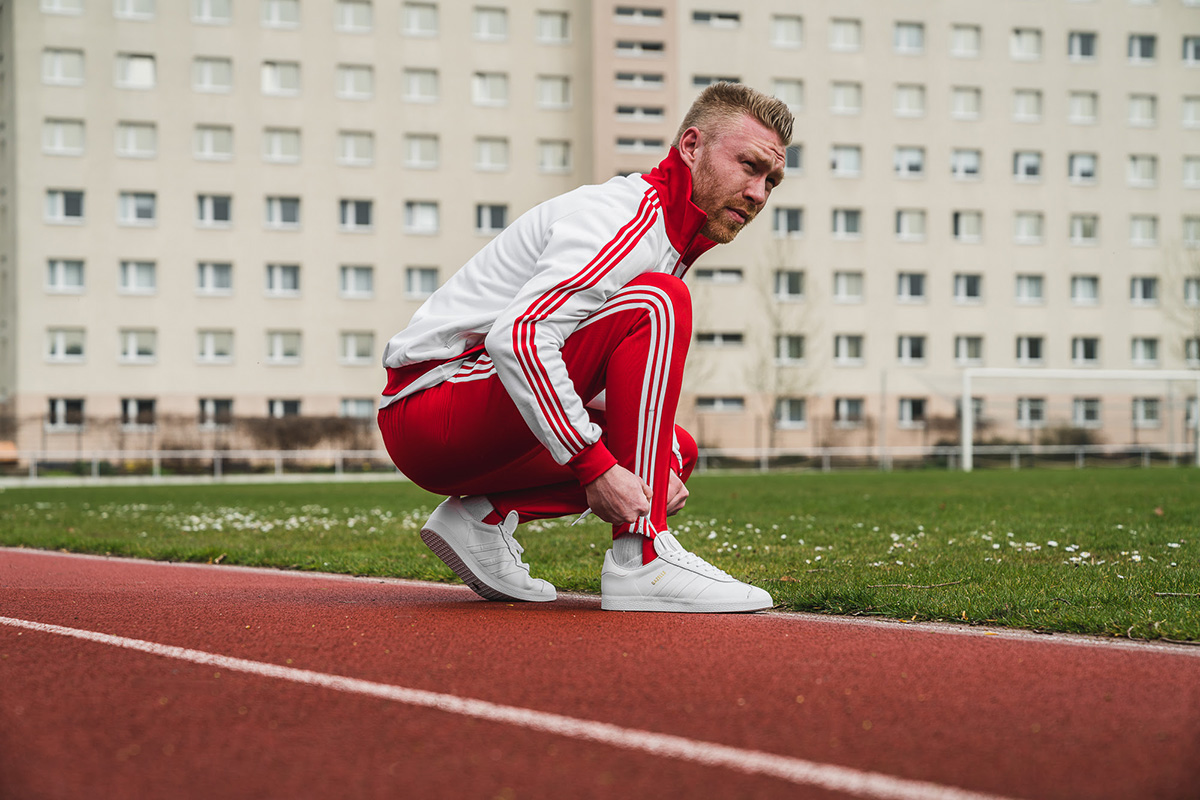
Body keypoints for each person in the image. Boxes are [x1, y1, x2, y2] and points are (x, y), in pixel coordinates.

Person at [377, 83, 792, 612]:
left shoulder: (669, 242)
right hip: (430, 405)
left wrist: (641, 455)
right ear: (691, 146)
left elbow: (582, 366)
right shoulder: (627, 217)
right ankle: (641, 556)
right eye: (749, 166)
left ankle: (482, 516)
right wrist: (595, 463)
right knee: (660, 302)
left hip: (476, 419)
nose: (758, 192)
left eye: (771, 180)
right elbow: (519, 338)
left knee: (672, 451)